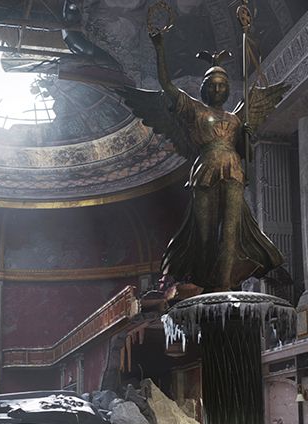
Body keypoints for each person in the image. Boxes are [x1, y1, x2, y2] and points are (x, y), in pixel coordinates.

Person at [118, 30, 288, 293]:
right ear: (204, 88)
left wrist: (247, 136)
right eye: (212, 85)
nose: (217, 89)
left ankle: (225, 284)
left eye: (222, 85)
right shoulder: (194, 110)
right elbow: (167, 86)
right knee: (204, 232)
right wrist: (160, 47)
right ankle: (208, 283)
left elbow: (246, 152)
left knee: (231, 231)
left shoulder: (236, 118)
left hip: (233, 169)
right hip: (205, 168)